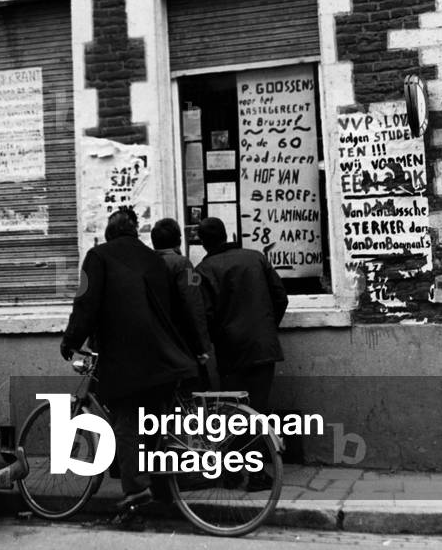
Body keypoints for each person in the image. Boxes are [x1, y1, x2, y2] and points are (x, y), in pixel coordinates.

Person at [61, 210, 198, 523]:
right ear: (135, 232)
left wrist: (71, 341)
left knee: (126, 423)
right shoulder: (154, 260)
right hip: (165, 357)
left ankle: (136, 492)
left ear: (110, 233)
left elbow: (85, 303)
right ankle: (160, 490)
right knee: (153, 426)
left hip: (126, 357)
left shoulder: (98, 257)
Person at [196, 217, 288, 414]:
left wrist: (211, 342)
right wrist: (267, 328)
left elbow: (206, 315)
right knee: (257, 410)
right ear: (225, 234)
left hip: (231, 351)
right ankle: (263, 444)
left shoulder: (203, 270)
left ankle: (248, 445)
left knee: (234, 413)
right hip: (263, 347)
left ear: (203, 242)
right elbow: (280, 297)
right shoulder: (256, 257)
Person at [150, 217, 212, 368]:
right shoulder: (184, 264)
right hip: (182, 341)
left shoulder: (146, 263)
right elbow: (193, 302)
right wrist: (202, 346)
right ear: (178, 240)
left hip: (156, 342)